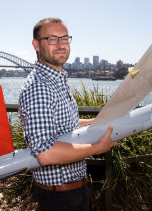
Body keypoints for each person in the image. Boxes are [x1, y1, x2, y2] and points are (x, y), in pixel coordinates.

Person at [18, 17, 117, 210]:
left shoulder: (56, 80)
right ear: (36, 45)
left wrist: (94, 122)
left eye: (65, 38)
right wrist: (97, 147)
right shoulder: (39, 87)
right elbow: (45, 153)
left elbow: (64, 125)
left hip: (72, 191)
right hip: (60, 198)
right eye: (52, 39)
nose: (61, 44)